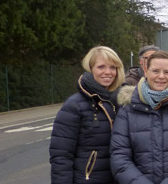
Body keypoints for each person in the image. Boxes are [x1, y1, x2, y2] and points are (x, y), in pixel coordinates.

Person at [111, 50, 168, 183]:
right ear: (146, 71)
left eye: (166, 72)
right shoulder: (128, 108)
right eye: (155, 71)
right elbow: (119, 156)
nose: (161, 76)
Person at [50, 46, 125, 184]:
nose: (108, 72)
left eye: (112, 67)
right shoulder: (74, 106)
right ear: (90, 69)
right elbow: (61, 156)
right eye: (101, 67)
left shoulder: (121, 102)